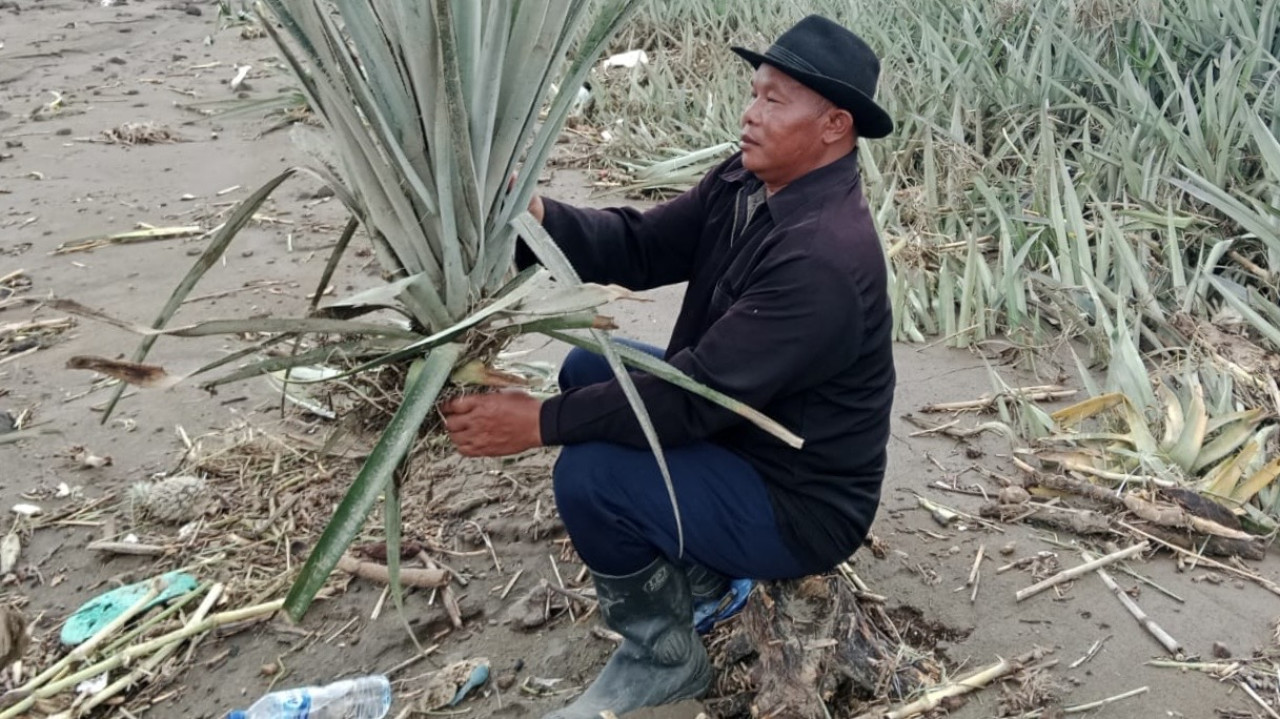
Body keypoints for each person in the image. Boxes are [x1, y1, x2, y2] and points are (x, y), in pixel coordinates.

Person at [441, 14, 896, 718]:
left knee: (591, 475)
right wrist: (536, 216)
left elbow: (694, 397)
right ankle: (702, 569)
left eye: (774, 101)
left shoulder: (824, 259)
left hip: (797, 500)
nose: (749, 114)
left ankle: (663, 655)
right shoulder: (746, 183)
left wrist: (537, 424)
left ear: (835, 125)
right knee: (589, 368)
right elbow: (643, 247)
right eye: (754, 92)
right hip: (741, 426)